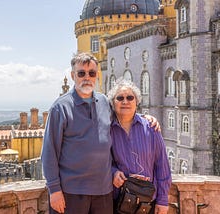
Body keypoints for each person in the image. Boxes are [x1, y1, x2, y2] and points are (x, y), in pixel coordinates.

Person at [41, 52, 160, 214]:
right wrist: (54, 190)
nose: (87, 77)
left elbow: (123, 114)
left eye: (91, 73)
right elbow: (49, 152)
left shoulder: (104, 102)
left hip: (104, 192)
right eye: (81, 73)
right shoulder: (60, 108)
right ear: (72, 75)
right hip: (72, 192)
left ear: (97, 75)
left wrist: (144, 118)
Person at [108, 79, 171, 214]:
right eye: (120, 98)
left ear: (136, 102)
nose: (125, 101)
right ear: (113, 103)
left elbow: (162, 165)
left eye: (130, 97)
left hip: (148, 203)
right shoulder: (108, 131)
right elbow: (103, 162)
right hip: (120, 202)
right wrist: (113, 172)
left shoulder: (151, 127)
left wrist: (163, 200)